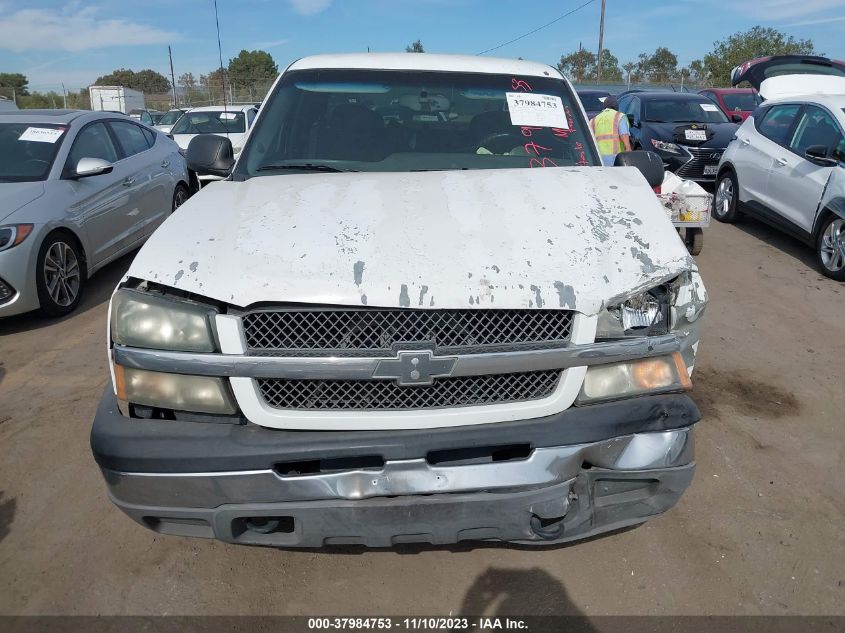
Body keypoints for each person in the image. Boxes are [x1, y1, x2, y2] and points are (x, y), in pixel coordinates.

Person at [589, 95, 632, 166]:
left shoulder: (593, 120)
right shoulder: (620, 116)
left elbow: (590, 139)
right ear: (616, 107)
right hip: (616, 157)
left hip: (598, 157)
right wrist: (628, 148)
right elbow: (623, 134)